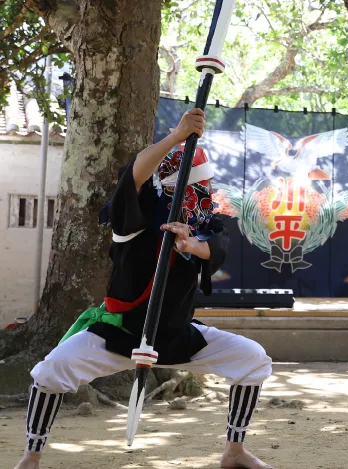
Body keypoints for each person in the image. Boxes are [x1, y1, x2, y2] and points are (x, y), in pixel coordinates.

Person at [14, 109, 274, 469]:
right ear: (167, 186)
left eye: (205, 186)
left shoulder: (204, 222)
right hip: (121, 334)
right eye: (193, 186)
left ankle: (234, 452)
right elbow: (133, 178)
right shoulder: (136, 217)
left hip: (176, 336)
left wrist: (189, 245)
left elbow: (215, 248)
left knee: (253, 360)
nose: (202, 194)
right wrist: (174, 138)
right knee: (48, 373)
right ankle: (31, 456)